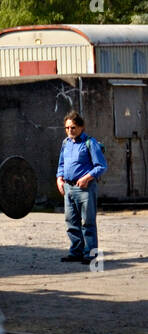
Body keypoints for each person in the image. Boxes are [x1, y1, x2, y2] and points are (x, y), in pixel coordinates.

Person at [56, 110, 106, 264]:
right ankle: (76, 252)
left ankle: (91, 254)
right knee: (71, 221)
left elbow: (101, 166)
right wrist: (59, 178)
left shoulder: (90, 143)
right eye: (67, 128)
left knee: (88, 222)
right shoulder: (66, 143)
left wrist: (87, 178)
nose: (70, 131)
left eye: (73, 127)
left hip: (85, 188)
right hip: (69, 188)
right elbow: (61, 164)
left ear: (81, 127)